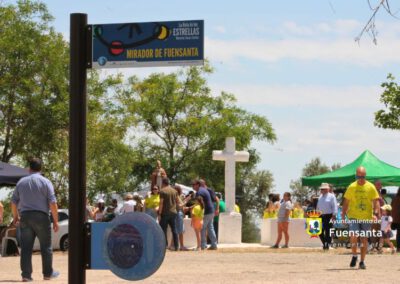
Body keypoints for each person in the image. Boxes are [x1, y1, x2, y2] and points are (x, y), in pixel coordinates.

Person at [11, 158, 59, 282]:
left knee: (26, 248)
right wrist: (56, 220)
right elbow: (53, 203)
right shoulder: (46, 182)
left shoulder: (21, 182)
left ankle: (26, 275)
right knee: (46, 247)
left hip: (25, 216)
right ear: (40, 169)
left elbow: (14, 202)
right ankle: (48, 274)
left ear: (29, 169)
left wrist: (16, 216)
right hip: (41, 217)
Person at [341, 166, 380, 270]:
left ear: (365, 176)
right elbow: (346, 202)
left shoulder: (371, 187)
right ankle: (354, 255)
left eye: (363, 176)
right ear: (356, 176)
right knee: (353, 235)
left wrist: (376, 213)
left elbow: (376, 201)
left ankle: (362, 261)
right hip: (353, 216)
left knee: (364, 240)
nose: (361, 178)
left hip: (366, 217)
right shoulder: (352, 187)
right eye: (359, 176)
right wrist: (343, 215)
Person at [192, 179, 218, 250]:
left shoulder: (199, 192)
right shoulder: (204, 189)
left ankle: (203, 245)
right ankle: (214, 244)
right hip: (211, 211)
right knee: (210, 228)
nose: (192, 187)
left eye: (193, 185)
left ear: (198, 185)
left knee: (202, 228)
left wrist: (191, 209)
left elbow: (199, 204)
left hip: (206, 212)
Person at [158, 178, 181, 251]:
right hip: (173, 212)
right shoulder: (174, 191)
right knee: (174, 229)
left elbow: (161, 203)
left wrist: (159, 213)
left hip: (165, 213)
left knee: (163, 230)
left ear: (163, 183)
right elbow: (178, 202)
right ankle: (176, 246)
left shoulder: (162, 191)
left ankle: (165, 246)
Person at [316, 182, 338, 250]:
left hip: (329, 215)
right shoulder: (320, 197)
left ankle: (326, 245)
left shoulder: (331, 196)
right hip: (321, 215)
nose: (321, 190)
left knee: (328, 231)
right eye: (321, 189)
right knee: (319, 231)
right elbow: (318, 207)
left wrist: (334, 215)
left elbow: (334, 206)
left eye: (323, 189)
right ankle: (325, 243)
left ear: (327, 189)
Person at [390, 187, 400, 252]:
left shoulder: (395, 198)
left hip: (395, 220)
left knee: (398, 233)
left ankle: (398, 248)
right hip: (398, 219)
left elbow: (392, 208)